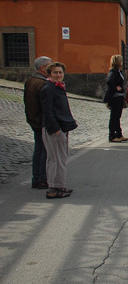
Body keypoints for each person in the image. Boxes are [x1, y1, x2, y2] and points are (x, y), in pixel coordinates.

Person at [40, 62, 78, 198]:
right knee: (56, 159)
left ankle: (59, 186)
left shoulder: (57, 87)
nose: (58, 75)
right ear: (49, 74)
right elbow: (47, 111)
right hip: (54, 129)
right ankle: (54, 189)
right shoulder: (48, 89)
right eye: (55, 72)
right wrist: (55, 129)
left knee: (59, 158)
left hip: (60, 127)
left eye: (60, 72)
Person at [24, 55, 53, 189]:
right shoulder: (42, 83)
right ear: (42, 68)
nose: (52, 67)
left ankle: (36, 178)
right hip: (41, 121)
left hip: (35, 119)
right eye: (49, 65)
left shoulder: (31, 80)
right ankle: (42, 178)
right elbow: (45, 105)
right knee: (44, 151)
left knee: (39, 150)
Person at [105, 55, 127, 143]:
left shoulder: (118, 71)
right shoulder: (113, 72)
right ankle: (112, 135)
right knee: (114, 117)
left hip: (119, 96)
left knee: (117, 116)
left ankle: (118, 134)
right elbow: (109, 81)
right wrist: (115, 88)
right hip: (115, 97)